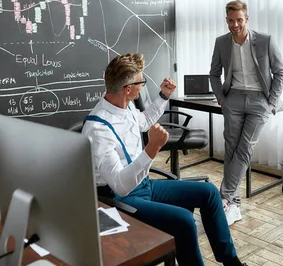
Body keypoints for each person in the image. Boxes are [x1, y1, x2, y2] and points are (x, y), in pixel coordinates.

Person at [83, 53, 247, 266]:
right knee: (185, 221)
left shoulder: (125, 105)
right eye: (141, 82)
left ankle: (231, 262)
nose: (143, 85)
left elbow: (142, 122)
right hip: (121, 199)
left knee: (208, 193)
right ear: (128, 89)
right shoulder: (98, 129)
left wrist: (163, 96)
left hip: (144, 185)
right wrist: (152, 149)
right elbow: (120, 186)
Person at [210, 0, 283, 225]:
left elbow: (280, 72)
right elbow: (214, 74)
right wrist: (221, 98)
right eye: (231, 20)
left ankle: (224, 197)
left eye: (239, 20)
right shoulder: (221, 43)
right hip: (232, 98)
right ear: (226, 20)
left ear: (247, 19)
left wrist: (271, 103)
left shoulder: (265, 40)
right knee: (231, 148)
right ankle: (233, 206)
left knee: (245, 148)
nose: (235, 25)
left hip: (259, 101)